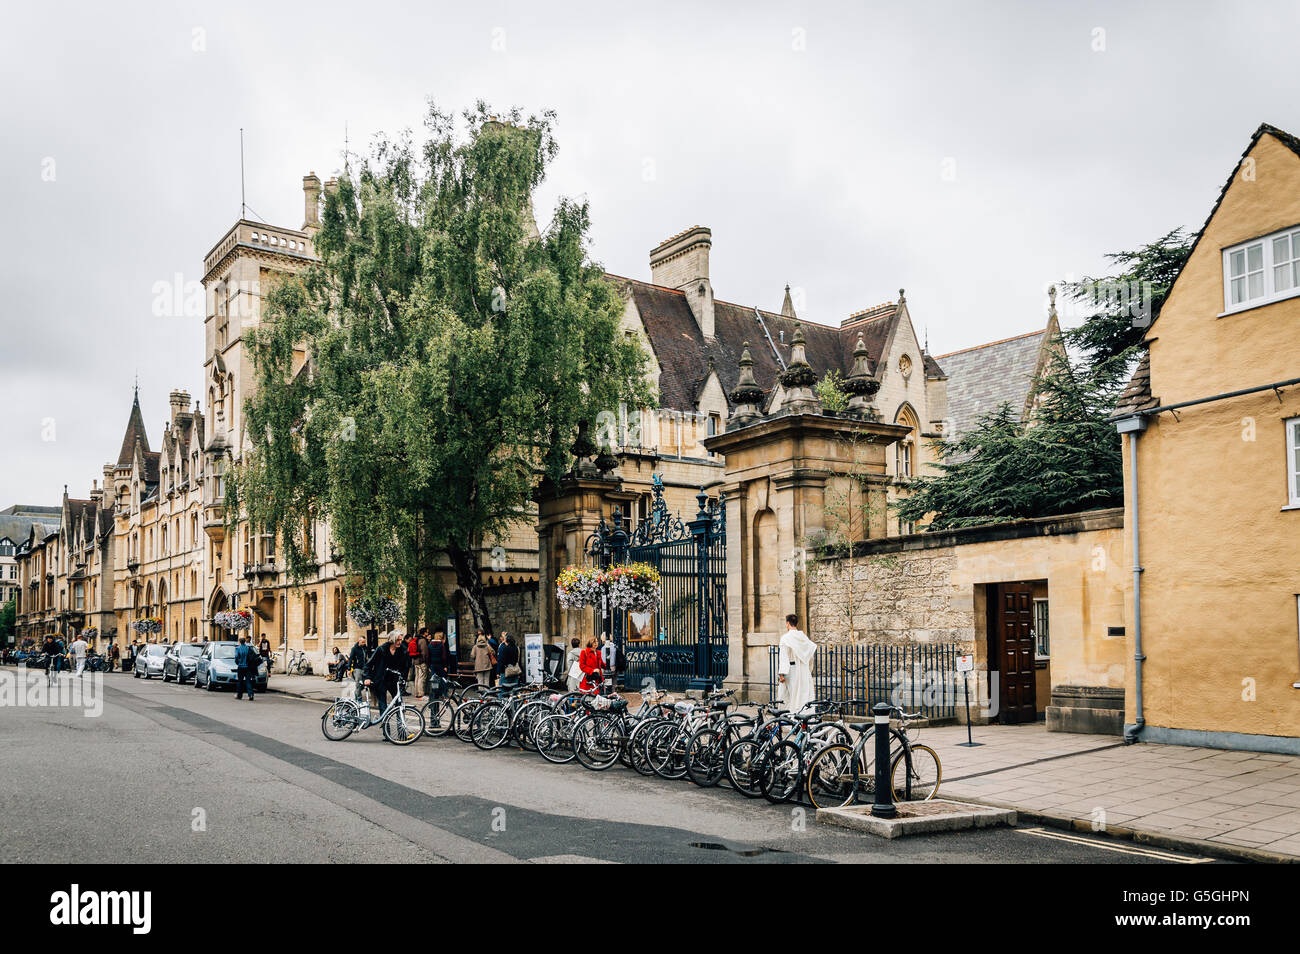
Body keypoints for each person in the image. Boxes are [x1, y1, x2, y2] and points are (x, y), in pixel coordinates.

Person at [777, 614, 816, 714]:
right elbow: (810, 656)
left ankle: (791, 718)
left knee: (790, 695)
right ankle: (805, 718)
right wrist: (809, 669)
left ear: (787, 623)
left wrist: (781, 674)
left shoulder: (785, 638)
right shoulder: (803, 637)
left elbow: (784, 658)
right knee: (804, 695)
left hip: (791, 670)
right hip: (804, 670)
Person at [363, 638, 404, 715]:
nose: (400, 642)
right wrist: (367, 677)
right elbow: (369, 664)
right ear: (392, 640)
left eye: (401, 640)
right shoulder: (381, 649)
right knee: (382, 704)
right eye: (398, 640)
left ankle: (401, 725)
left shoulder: (401, 650)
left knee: (399, 702)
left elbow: (404, 666)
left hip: (393, 680)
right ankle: (385, 725)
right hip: (381, 679)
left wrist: (402, 677)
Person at [234, 635, 259, 701]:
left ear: (240, 642)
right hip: (248, 667)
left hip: (241, 667)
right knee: (248, 681)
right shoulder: (248, 648)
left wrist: (238, 663)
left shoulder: (237, 648)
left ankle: (239, 695)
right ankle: (250, 694)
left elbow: (236, 657)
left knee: (240, 681)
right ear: (245, 642)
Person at [428, 630, 449, 697]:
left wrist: (429, 666)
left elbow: (428, 656)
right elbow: (444, 657)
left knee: (434, 680)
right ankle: (444, 694)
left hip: (433, 665)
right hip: (440, 665)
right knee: (443, 679)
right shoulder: (441, 645)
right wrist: (445, 666)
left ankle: (435, 694)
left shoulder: (430, 645)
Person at [413, 628, 430, 700]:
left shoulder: (416, 639)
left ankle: (417, 692)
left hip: (415, 660)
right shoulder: (423, 640)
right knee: (422, 677)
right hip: (421, 661)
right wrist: (426, 661)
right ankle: (420, 694)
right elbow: (424, 652)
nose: (428, 633)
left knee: (417, 677)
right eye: (427, 632)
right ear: (424, 633)